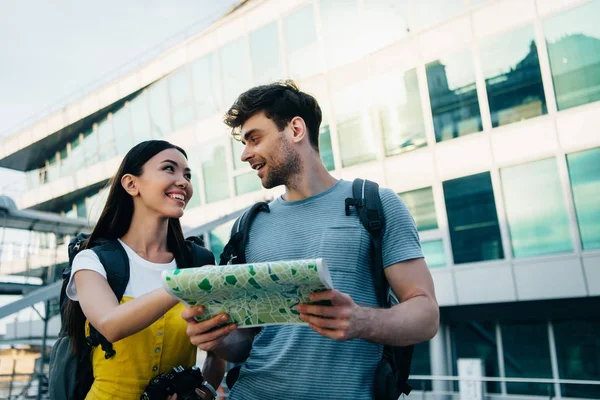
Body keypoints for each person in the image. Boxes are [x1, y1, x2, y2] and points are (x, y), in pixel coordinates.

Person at [182, 81, 440, 400]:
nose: (245, 155)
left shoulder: (375, 204)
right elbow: (246, 343)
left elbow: (426, 315)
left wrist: (361, 321)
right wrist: (217, 337)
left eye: (254, 138)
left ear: (296, 129)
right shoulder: (249, 225)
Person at [65, 140, 224, 400]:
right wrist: (186, 283)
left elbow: (219, 352)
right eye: (169, 169)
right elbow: (110, 324)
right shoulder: (92, 260)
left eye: (187, 175)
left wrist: (204, 391)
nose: (183, 181)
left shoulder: (199, 260)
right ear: (131, 184)